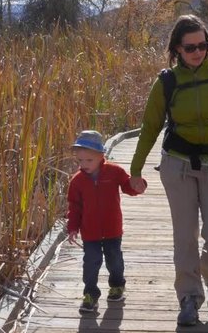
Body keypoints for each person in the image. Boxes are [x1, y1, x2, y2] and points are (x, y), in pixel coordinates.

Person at [128, 14, 208, 327]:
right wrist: (135, 169)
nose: (197, 52)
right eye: (190, 47)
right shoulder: (167, 82)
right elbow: (150, 127)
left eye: (203, 45)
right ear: (177, 49)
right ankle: (189, 298)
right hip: (177, 163)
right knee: (185, 236)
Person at [66, 130, 145, 313]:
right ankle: (90, 294)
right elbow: (75, 207)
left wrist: (138, 186)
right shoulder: (77, 182)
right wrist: (72, 228)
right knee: (91, 262)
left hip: (112, 229)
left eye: (89, 160)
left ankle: (117, 285)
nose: (84, 165)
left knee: (114, 260)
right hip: (90, 232)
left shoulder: (114, 172)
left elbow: (128, 187)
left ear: (101, 156)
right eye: (80, 161)